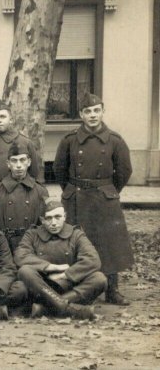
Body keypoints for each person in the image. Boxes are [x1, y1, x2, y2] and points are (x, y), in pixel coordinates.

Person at [53, 92, 134, 305]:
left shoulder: (115, 140)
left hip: (103, 197)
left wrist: (107, 189)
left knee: (108, 242)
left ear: (103, 112)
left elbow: (124, 170)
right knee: (72, 243)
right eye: (87, 111)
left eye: (96, 110)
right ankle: (75, 286)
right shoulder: (70, 140)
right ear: (81, 114)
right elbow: (59, 168)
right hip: (76, 197)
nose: (92, 115)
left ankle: (112, 289)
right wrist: (73, 189)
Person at [14, 199, 107, 320]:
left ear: (64, 216)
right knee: (25, 271)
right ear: (42, 220)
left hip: (70, 283)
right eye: (48, 218)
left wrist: (65, 275)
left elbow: (92, 259)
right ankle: (67, 308)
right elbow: (20, 256)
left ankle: (45, 308)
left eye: (57, 217)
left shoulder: (76, 234)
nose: (53, 223)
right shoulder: (32, 234)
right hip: (42, 285)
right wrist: (52, 267)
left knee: (99, 279)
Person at [0, 141, 49, 252]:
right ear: (8, 164)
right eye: (14, 161)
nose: (18, 165)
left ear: (29, 162)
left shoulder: (40, 192)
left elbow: (44, 226)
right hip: (4, 247)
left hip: (31, 247)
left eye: (22, 160)